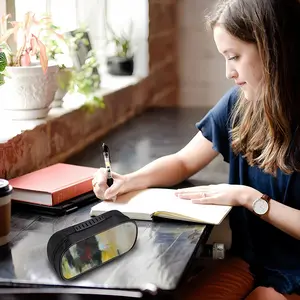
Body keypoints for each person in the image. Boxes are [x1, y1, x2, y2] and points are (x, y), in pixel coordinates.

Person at [92, 0, 300, 299]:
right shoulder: (238, 103)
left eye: (235, 57)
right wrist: (129, 180)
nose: (229, 72)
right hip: (249, 261)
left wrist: (250, 197)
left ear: (272, 48)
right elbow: (182, 161)